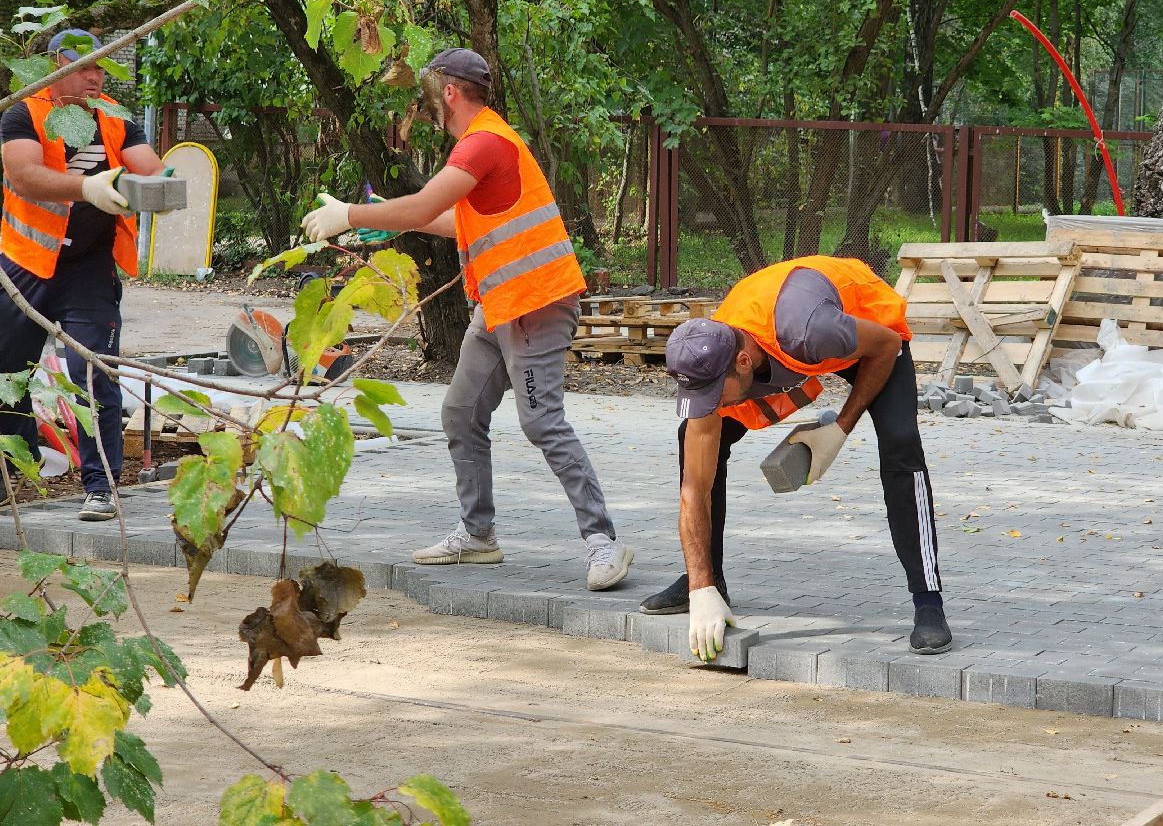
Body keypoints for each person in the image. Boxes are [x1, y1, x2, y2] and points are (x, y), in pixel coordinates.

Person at [301, 47, 633, 591]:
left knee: (541, 421)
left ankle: (604, 543)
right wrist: (389, 221)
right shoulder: (485, 142)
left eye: (432, 92)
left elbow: (421, 207)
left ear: (448, 92)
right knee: (459, 411)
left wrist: (352, 214)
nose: (429, 104)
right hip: (503, 305)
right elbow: (461, 224)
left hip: (535, 303)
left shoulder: (483, 143)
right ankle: (478, 537)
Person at [643, 255, 951, 660]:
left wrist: (839, 429)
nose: (708, 405)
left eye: (714, 394)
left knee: (900, 443)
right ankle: (707, 582)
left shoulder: (812, 333)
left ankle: (928, 601)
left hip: (868, 334)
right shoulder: (714, 355)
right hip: (785, 342)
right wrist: (701, 587)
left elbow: (886, 347)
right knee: (696, 442)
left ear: (742, 362)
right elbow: (693, 489)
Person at [0, 29, 166, 521]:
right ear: (55, 65)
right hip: (25, 263)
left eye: (100, 68)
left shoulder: (115, 117)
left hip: (90, 269)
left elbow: (151, 172)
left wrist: (157, 187)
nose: (94, 77)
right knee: (8, 376)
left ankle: (101, 487)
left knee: (94, 373)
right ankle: (16, 472)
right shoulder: (24, 113)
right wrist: (88, 186)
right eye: (83, 67)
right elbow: (25, 177)